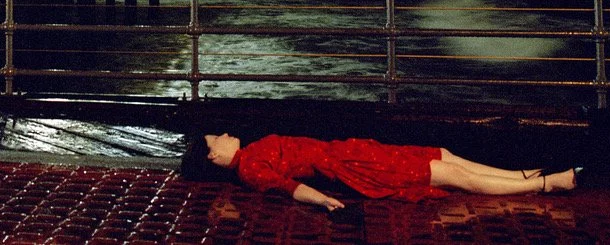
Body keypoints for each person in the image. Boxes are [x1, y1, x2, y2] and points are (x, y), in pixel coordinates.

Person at [185, 133, 580, 210]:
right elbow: (288, 188)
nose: (224, 134)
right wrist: (324, 200)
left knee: (444, 155)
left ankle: (522, 175)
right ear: (215, 157)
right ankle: (549, 184)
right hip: (354, 165)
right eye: (217, 139)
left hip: (354, 152)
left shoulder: (251, 153)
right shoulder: (250, 168)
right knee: (449, 174)